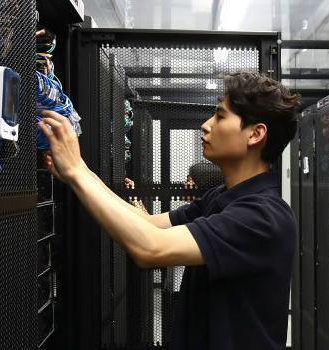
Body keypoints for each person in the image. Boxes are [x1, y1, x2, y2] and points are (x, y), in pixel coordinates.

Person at [39, 71, 301, 350]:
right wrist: (80, 173)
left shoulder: (264, 217)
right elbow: (149, 224)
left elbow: (151, 248)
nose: (206, 125)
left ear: (256, 134)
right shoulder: (220, 198)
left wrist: (77, 171)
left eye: (220, 116)